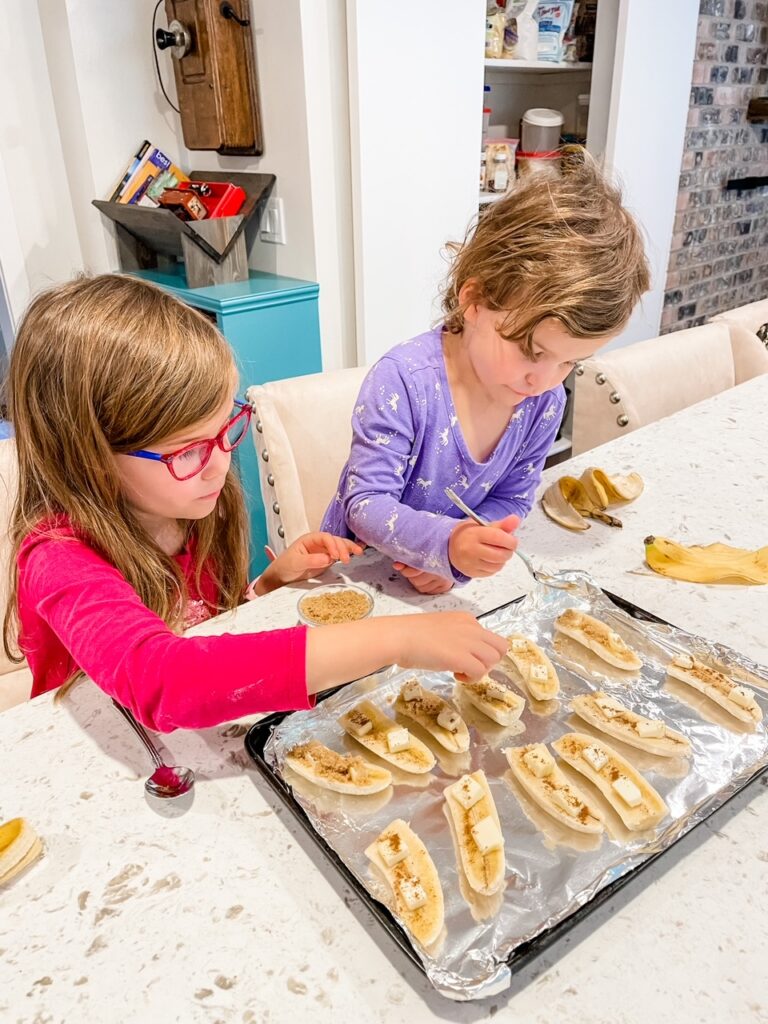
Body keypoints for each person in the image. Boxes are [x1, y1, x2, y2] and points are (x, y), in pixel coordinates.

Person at [2, 275, 507, 732]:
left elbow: (201, 623)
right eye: (190, 449)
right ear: (88, 455)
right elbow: (165, 679)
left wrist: (265, 587)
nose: (220, 463)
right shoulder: (58, 558)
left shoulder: (186, 498)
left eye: (225, 430)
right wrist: (398, 639)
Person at [321, 153, 650, 594]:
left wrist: (464, 554)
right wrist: (446, 545)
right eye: (532, 351)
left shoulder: (545, 402)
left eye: (570, 362)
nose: (545, 380)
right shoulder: (403, 382)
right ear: (473, 299)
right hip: (352, 580)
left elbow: (513, 498)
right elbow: (367, 505)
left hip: (430, 588)